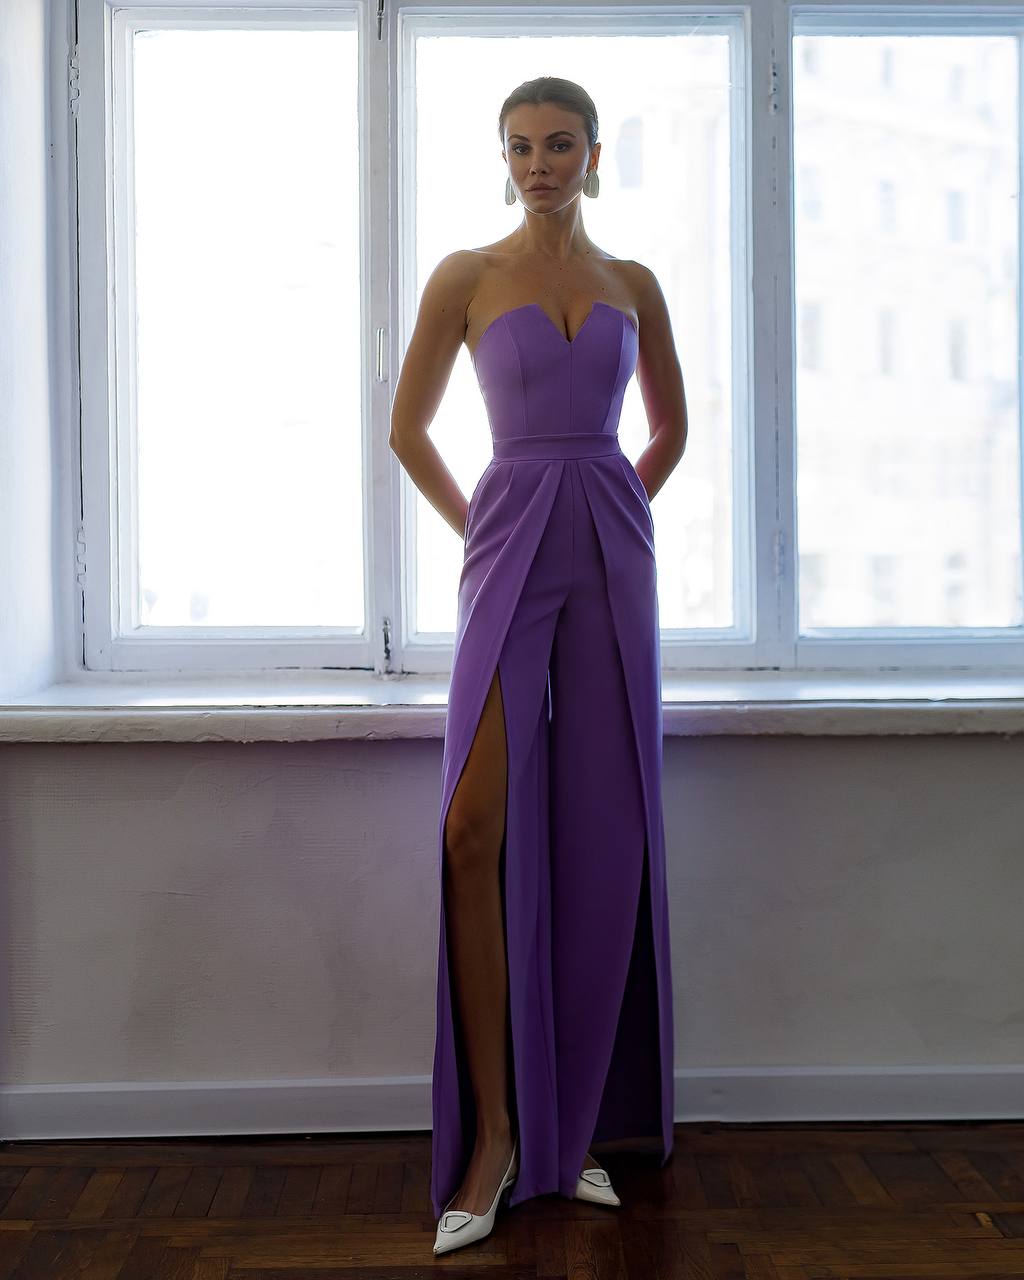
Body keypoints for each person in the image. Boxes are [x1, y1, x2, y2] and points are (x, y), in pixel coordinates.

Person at [389, 76, 688, 1257]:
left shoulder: (634, 286)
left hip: (611, 554)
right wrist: (487, 526)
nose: (539, 164)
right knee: (473, 825)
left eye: (559, 145)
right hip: (509, 547)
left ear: (595, 153)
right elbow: (406, 427)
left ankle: (571, 1138)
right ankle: (495, 1133)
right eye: (520, 147)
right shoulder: (467, 276)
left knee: (604, 835)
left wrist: (615, 511)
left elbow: (668, 430)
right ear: (502, 157)